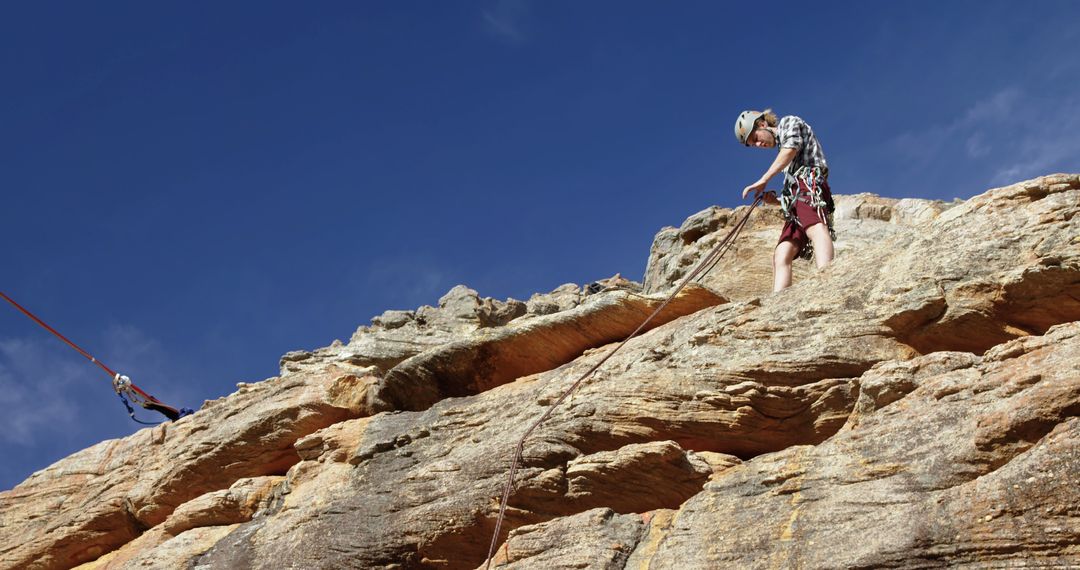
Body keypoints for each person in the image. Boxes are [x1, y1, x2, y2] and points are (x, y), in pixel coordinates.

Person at [734, 109, 835, 292]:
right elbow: (791, 191)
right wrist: (774, 201)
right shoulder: (785, 164)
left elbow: (791, 148)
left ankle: (828, 281)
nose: (759, 144)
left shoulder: (789, 122)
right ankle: (778, 301)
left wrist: (764, 179)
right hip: (797, 198)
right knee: (782, 253)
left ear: (763, 124)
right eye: (754, 144)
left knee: (815, 227)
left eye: (756, 138)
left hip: (809, 182)